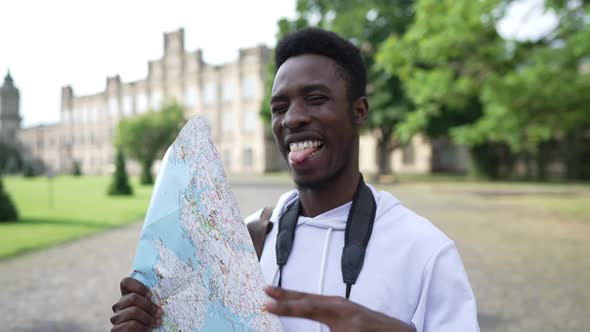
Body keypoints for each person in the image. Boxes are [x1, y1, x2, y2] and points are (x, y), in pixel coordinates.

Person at [110, 28, 480, 332]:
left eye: (315, 99)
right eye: (279, 107)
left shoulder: (426, 252)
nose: (292, 119)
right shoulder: (241, 243)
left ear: (359, 111)